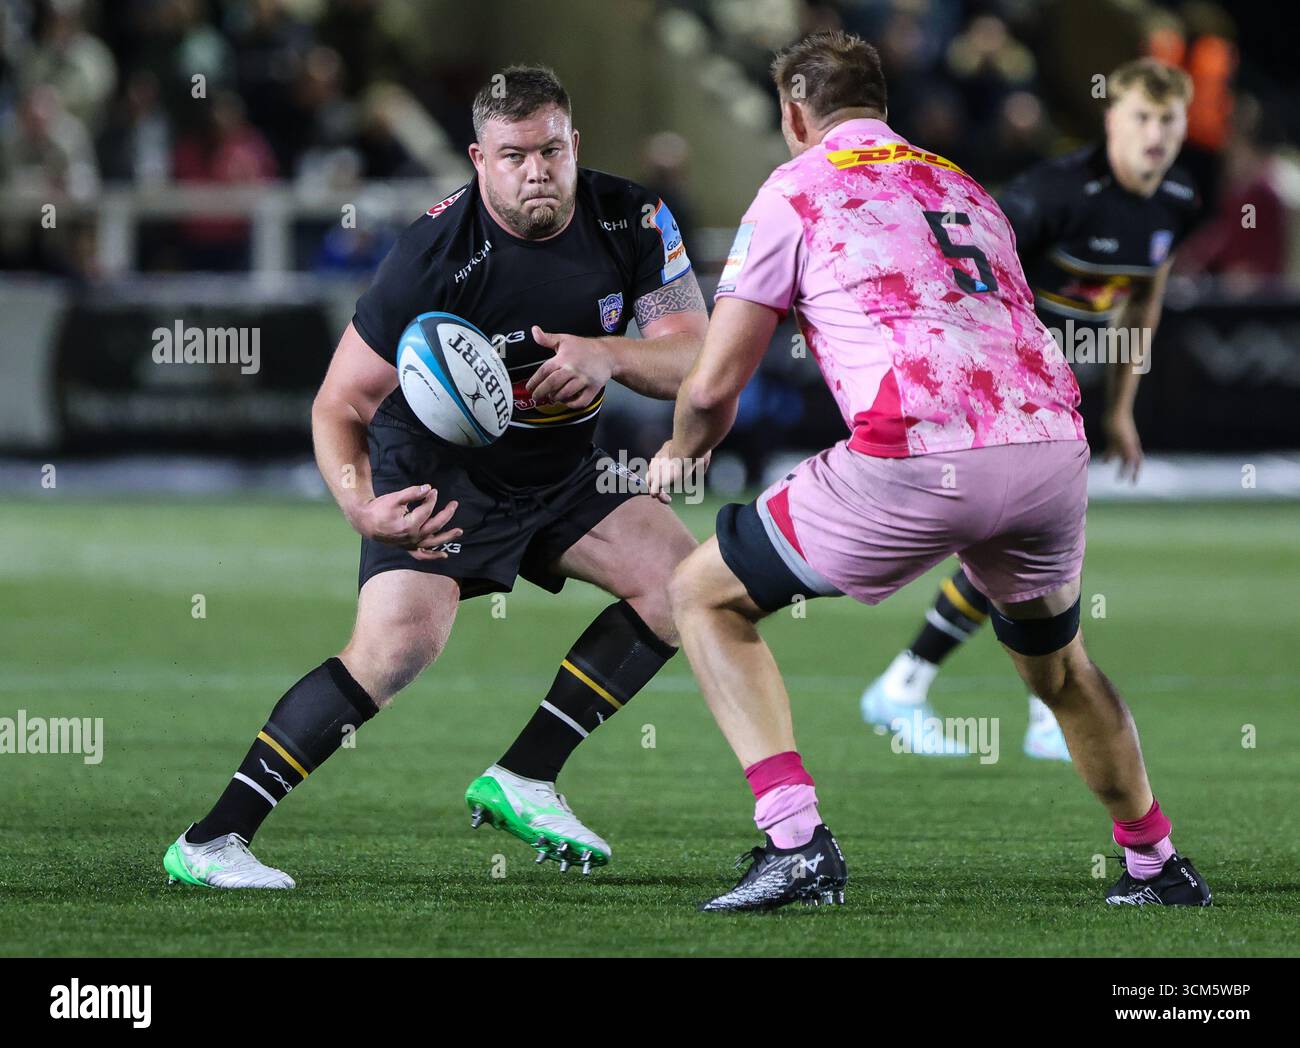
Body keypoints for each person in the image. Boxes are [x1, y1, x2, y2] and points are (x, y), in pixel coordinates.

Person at [651, 31, 1210, 912]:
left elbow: (717, 383)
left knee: (702, 594)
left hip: (920, 453)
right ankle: (1157, 864)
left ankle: (796, 845)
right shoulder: (963, 183)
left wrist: (681, 454)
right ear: (881, 105)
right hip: (1048, 447)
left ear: (795, 114)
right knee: (1061, 672)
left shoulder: (793, 188)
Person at [164, 65, 706, 889]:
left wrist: (609, 357)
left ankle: (525, 777)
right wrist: (361, 506)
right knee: (396, 649)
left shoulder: (634, 215)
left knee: (686, 588)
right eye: (514, 155)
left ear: (575, 145)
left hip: (560, 467)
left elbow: (696, 355)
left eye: (551, 150)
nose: (537, 171)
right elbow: (339, 402)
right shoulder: (432, 255)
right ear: (478, 160)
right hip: (440, 470)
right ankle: (212, 840)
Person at [858, 57, 1199, 760]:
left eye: (1168, 120)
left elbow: (1145, 303)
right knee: (1030, 547)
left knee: (1019, 551)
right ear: (1111, 118)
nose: (1155, 134)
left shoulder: (1176, 202)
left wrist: (1121, 411)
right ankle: (1037, 703)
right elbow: (956, 270)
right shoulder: (1050, 195)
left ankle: (918, 686)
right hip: (995, 389)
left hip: (1054, 395)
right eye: (1141, 117)